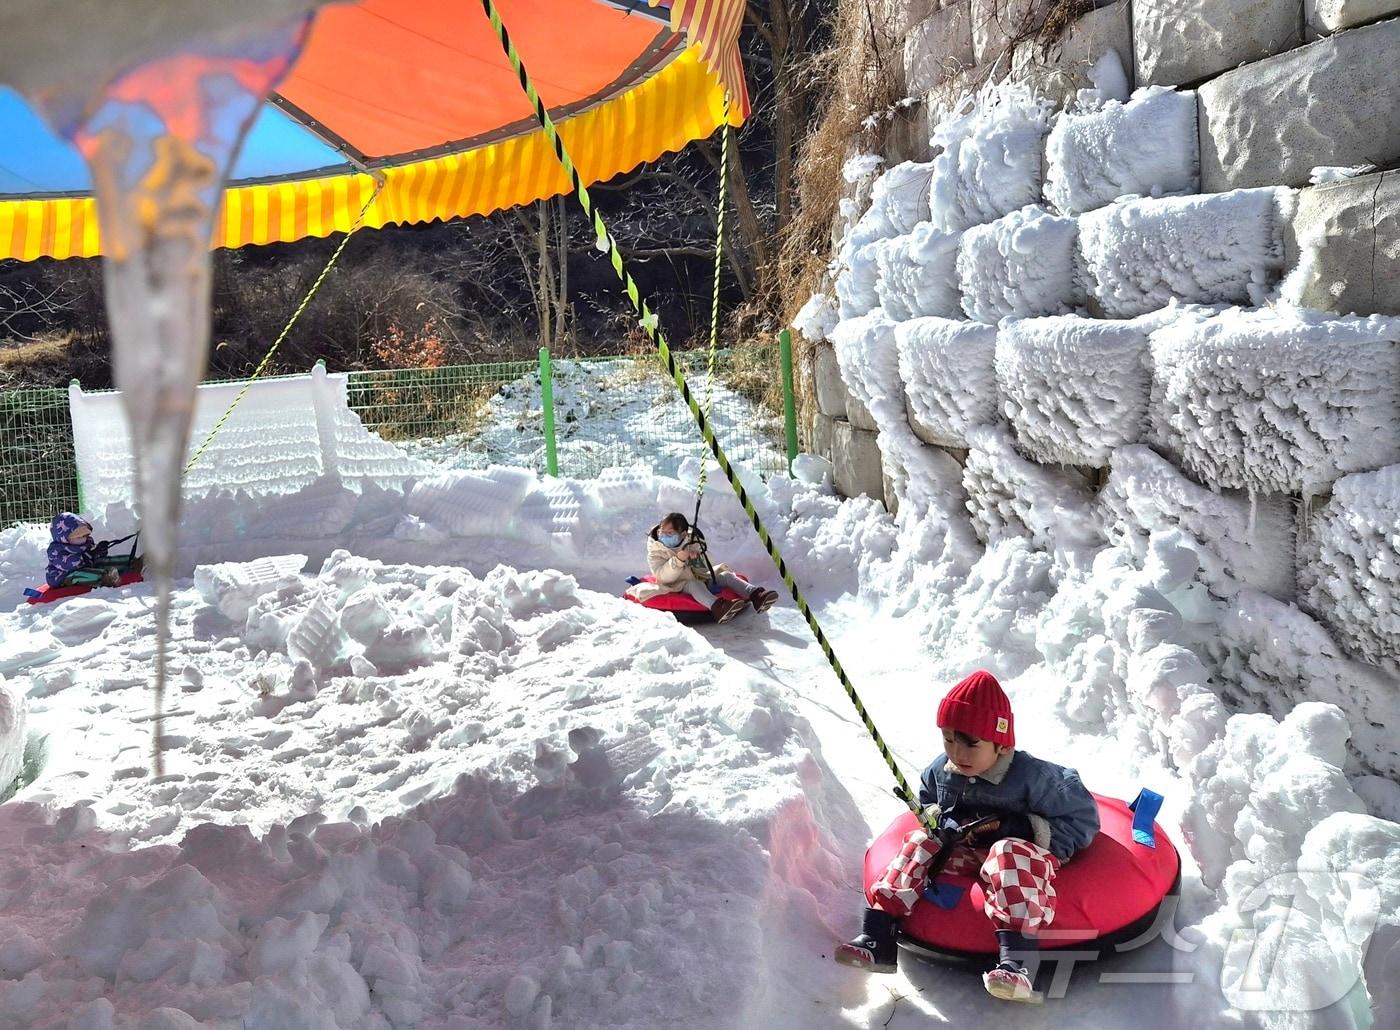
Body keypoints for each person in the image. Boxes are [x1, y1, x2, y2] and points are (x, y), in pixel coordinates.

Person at [835, 669, 1100, 1004]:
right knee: (921, 842)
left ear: (1002, 744)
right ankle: (878, 937)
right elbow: (928, 800)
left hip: (1021, 857)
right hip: (966, 850)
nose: (957, 753)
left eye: (970, 743)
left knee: (1007, 851)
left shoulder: (1035, 778)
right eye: (948, 739)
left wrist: (1019, 829)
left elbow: (1083, 818)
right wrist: (940, 822)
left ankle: (1017, 963)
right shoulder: (941, 770)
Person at [627, 512, 779, 623]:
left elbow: (708, 565)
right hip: (676, 584)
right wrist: (678, 560)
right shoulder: (656, 551)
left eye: (670, 533)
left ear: (682, 534)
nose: (664, 536)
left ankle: (756, 595)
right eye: (662, 532)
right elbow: (662, 576)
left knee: (725, 576)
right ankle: (718, 607)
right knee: (694, 585)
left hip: (699, 576)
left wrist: (698, 557)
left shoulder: (692, 540)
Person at [45, 513, 138, 589]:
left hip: (87, 565)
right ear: (64, 538)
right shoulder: (56, 551)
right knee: (79, 575)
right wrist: (86, 556)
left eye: (85, 535)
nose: (84, 539)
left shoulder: (86, 542)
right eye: (79, 537)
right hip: (64, 576)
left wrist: (99, 551)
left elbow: (92, 555)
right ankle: (106, 578)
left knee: (103, 562)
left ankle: (132, 562)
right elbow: (68, 564)